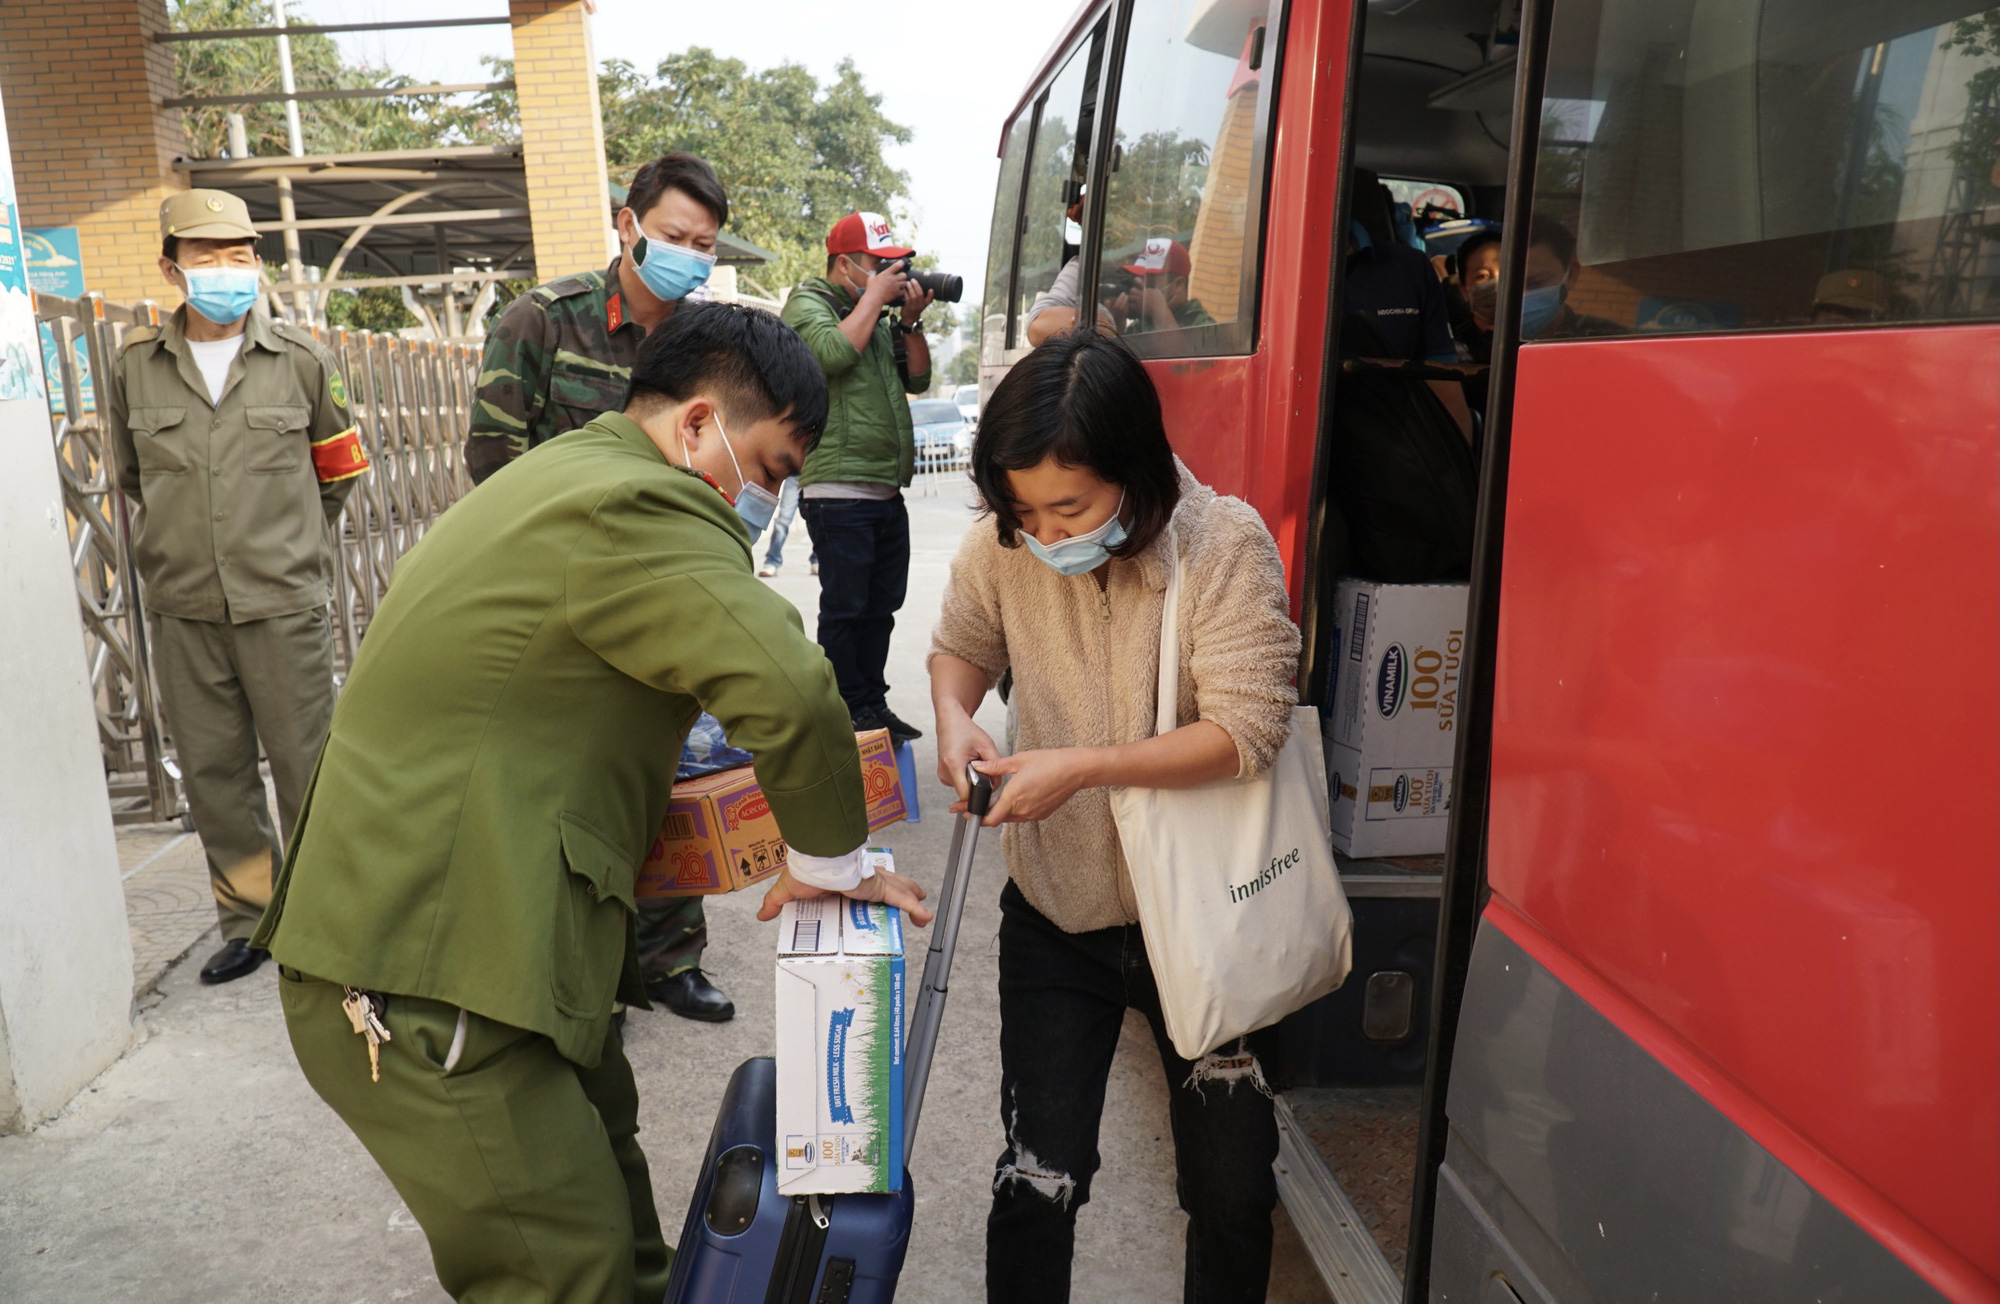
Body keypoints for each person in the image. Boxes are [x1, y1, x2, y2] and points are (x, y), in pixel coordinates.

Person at [253, 304, 933, 1304]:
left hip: (497, 950)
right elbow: (789, 687)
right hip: (424, 973)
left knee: (627, 1251)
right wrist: (831, 859)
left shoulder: (570, 474)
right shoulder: (636, 505)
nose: (770, 500)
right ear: (698, 425)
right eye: (774, 468)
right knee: (566, 1275)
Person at [928, 331, 1301, 1303]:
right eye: (1022, 511)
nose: (1045, 534)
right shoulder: (1003, 545)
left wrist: (1084, 768)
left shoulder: (1221, 543)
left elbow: (1246, 726)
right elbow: (959, 643)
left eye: (1070, 507)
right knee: (1034, 1181)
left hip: (1213, 920)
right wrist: (954, 715)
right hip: (1056, 915)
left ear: (1133, 472)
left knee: (1228, 1194)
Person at [466, 151, 738, 1023]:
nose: (688, 255)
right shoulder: (542, 321)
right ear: (628, 225)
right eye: (672, 236)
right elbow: (494, 462)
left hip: (665, 589)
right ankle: (585, 970)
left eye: (704, 244)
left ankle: (668, 959)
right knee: (572, 787)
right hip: (565, 591)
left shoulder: (709, 344)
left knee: (669, 770)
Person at [107, 189, 368, 986]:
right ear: (170, 267)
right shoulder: (134, 370)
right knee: (216, 774)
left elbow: (340, 469)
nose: (226, 270)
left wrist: (281, 544)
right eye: (206, 255)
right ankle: (250, 922)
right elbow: (129, 477)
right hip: (185, 607)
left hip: (282, 603)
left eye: (240, 255)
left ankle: (335, 925)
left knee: (308, 768)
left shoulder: (300, 360)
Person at [781, 211, 934, 746]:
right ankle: (844, 709)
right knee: (846, 609)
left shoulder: (874, 315)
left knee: (880, 608)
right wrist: (873, 301)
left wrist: (909, 321)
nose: (890, 276)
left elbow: (919, 376)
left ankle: (871, 703)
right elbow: (828, 354)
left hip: (885, 489)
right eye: (878, 265)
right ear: (844, 264)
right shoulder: (809, 304)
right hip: (836, 490)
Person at [1341, 218, 1474, 437]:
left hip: (1391, 454)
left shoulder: (1409, 266)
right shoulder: (1268, 258)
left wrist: (1460, 466)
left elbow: (1443, 385)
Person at [1520, 217, 1625, 339]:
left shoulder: (1609, 340)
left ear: (1571, 275)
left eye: (1535, 283)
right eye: (1496, 285)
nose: (1520, 296)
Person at [1102, 236, 1214, 336]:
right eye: (1138, 283)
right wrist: (1117, 327)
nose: (1140, 291)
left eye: (1150, 285)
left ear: (1178, 285)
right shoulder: (1141, 325)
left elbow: (1183, 355)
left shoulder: (1202, 325)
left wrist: (1157, 309)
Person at [754, 474, 815, 577]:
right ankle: (772, 561)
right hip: (796, 476)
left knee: (815, 518)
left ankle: (816, 560)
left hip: (815, 475)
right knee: (783, 520)